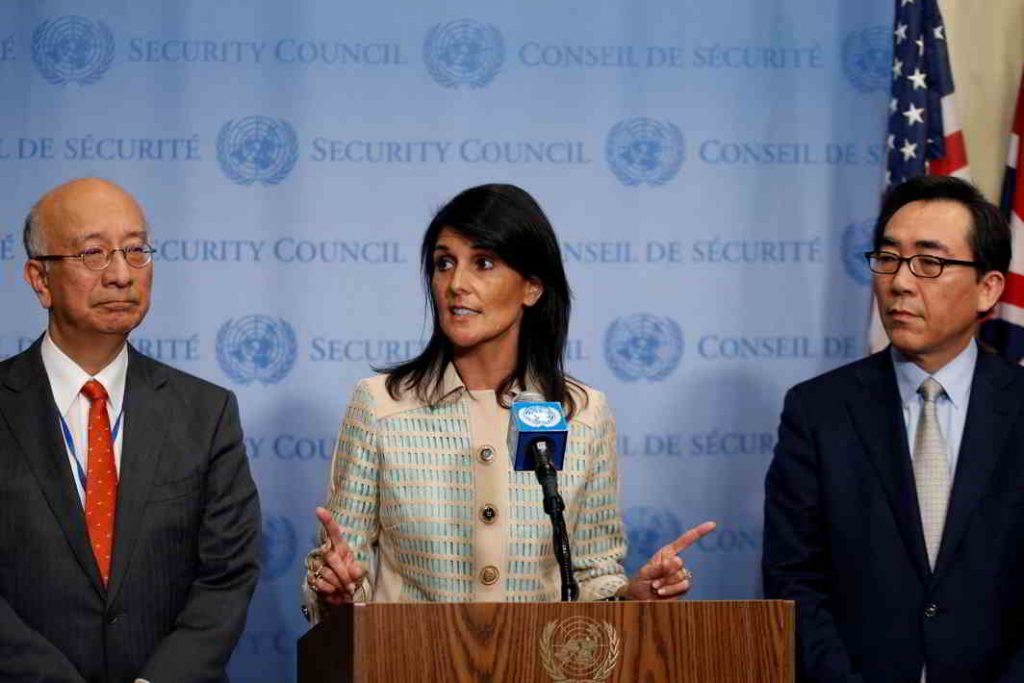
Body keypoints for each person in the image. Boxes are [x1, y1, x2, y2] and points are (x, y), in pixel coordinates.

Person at [303, 183, 714, 614]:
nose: (456, 284)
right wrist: (336, 592)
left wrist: (632, 596)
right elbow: (340, 570)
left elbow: (592, 575)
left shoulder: (584, 415)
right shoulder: (382, 405)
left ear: (531, 288)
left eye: (483, 263)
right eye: (444, 263)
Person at [763, 175, 1024, 682]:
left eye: (930, 262)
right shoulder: (818, 411)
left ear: (988, 288)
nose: (900, 282)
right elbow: (793, 581)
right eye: (888, 259)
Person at [0, 178, 261, 682]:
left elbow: (226, 576)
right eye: (93, 253)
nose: (121, 274)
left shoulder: (205, 413)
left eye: (136, 250)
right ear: (39, 279)